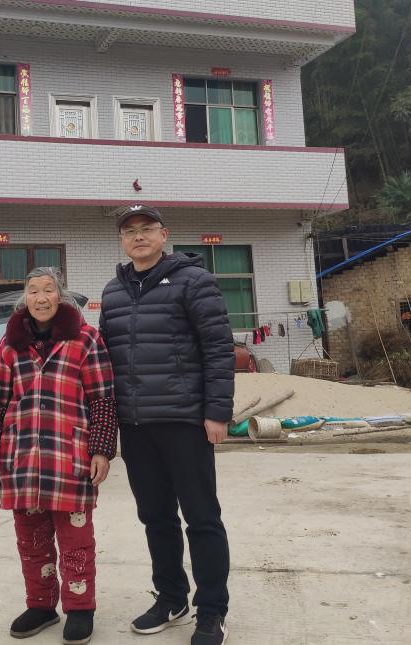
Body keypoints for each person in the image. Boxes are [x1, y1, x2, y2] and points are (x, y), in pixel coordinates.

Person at [99, 205, 235, 645]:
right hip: (135, 425)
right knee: (155, 517)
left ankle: (211, 610)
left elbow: (218, 349)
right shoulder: (113, 292)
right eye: (130, 231)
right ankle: (172, 598)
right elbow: (103, 363)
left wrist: (217, 412)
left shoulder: (194, 281)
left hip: (184, 420)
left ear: (164, 235)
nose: (138, 237)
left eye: (147, 229)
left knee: (202, 517)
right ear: (122, 241)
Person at [0, 267, 119, 645]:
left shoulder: (85, 340)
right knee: (32, 541)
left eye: (49, 290)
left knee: (76, 541)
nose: (41, 298)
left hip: (70, 457)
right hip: (22, 459)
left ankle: (80, 608)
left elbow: (102, 399)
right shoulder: (9, 345)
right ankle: (40, 605)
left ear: (61, 296)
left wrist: (102, 449)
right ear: (25, 299)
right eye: (33, 290)